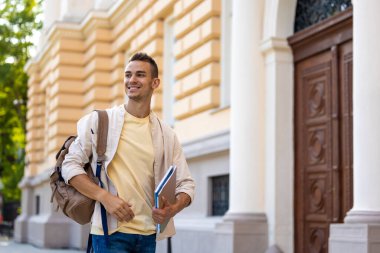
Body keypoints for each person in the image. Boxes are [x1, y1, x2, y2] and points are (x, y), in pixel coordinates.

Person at [62, 52, 195, 253]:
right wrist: (105, 197)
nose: (132, 80)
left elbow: (186, 184)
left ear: (155, 83)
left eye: (140, 75)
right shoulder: (101, 121)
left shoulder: (166, 134)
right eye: (128, 75)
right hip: (109, 234)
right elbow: (69, 166)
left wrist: (172, 210)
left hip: (148, 235)